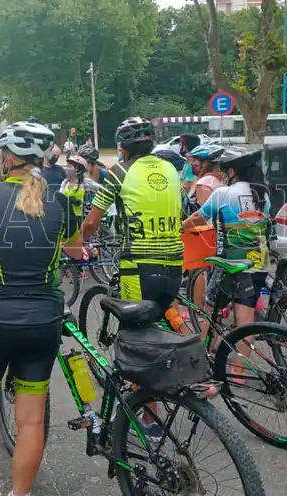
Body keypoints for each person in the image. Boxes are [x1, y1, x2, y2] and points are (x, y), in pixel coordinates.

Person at [0, 121, 81, 496]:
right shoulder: (61, 200)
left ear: (7, 158)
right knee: (31, 422)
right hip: (43, 321)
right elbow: (76, 252)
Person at [80, 118, 184, 438]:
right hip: (174, 267)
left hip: (139, 267)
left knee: (136, 343)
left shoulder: (118, 173)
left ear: (122, 148)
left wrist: (79, 242)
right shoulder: (169, 169)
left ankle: (149, 421)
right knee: (157, 330)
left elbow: (93, 222)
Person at [182, 149, 269, 362]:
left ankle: (204, 358)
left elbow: (198, 218)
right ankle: (240, 369)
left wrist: (180, 227)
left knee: (210, 309)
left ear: (232, 171)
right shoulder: (262, 194)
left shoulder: (223, 193)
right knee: (246, 315)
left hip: (229, 262)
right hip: (259, 261)